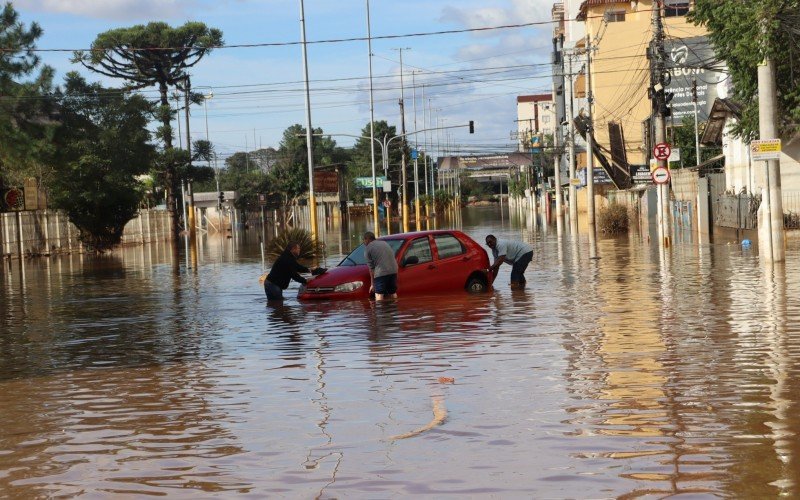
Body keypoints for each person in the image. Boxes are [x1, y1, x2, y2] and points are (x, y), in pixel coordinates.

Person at [363, 231, 398, 301]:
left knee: (379, 294)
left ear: (367, 239)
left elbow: (371, 269)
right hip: (393, 270)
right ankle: (395, 309)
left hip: (381, 273)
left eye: (363, 240)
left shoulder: (368, 249)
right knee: (392, 292)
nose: (363, 242)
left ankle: (380, 310)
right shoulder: (384, 243)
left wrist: (372, 284)